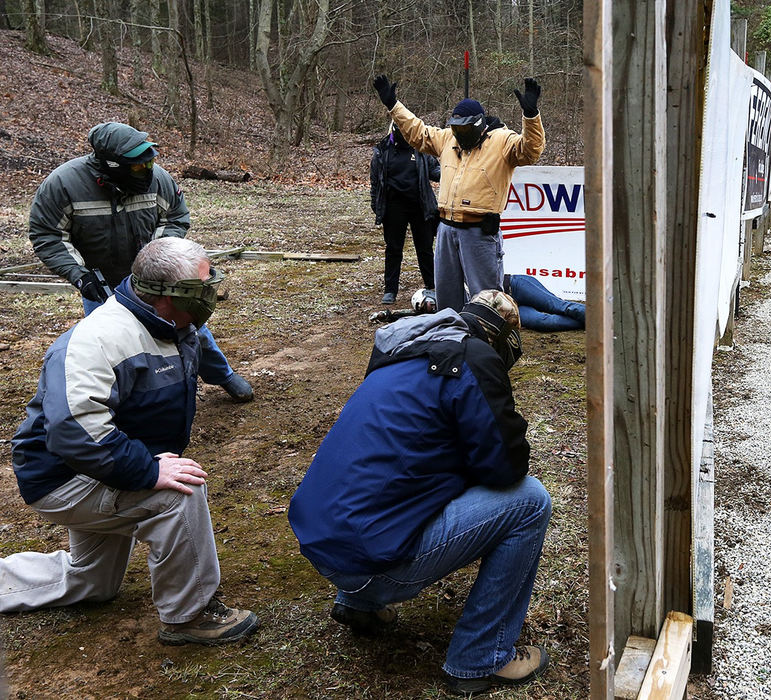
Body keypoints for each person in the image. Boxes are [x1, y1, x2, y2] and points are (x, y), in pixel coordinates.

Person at [288, 289, 551, 696]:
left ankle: (357, 605)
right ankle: (481, 657)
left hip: (323, 542)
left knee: (392, 477)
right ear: (501, 337)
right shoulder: (474, 358)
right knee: (530, 501)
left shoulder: (403, 348)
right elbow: (507, 468)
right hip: (372, 562)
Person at [1, 237, 259, 645]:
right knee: (180, 492)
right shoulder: (97, 340)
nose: (212, 295)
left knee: (93, 582)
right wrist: (148, 469)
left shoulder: (174, 325)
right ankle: (189, 616)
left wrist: (226, 378)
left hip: (101, 464)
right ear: (165, 296)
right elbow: (74, 431)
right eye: (202, 287)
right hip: (64, 476)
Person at [28, 121, 254, 403]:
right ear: (111, 165)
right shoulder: (63, 184)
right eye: (137, 167)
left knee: (188, 330)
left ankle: (222, 375)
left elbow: (175, 216)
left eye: (149, 163)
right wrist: (79, 275)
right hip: (102, 283)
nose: (147, 171)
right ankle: (123, 402)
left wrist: (158, 258)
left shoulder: (158, 179)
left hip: (155, 281)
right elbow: (48, 234)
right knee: (109, 346)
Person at [372, 74, 546, 312]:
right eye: (456, 128)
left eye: (464, 129)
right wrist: (393, 105)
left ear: (479, 124)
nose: (459, 134)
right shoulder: (448, 139)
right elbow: (417, 131)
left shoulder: (502, 141)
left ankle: (487, 343)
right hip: (446, 230)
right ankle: (453, 343)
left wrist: (531, 116)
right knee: (447, 297)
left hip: (480, 231)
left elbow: (531, 150)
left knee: (487, 299)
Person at [370, 122, 441, 305]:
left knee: (425, 248)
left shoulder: (421, 148)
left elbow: (436, 172)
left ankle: (432, 286)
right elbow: (375, 181)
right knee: (394, 249)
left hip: (420, 205)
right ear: (394, 130)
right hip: (393, 207)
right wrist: (376, 205)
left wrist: (454, 168)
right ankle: (390, 290)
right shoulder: (382, 150)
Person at [504, 273, 585, 332]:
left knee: (559, 307)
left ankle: (595, 317)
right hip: (506, 308)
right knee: (543, 322)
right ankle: (591, 323)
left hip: (515, 286)